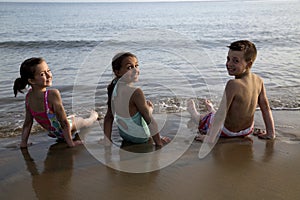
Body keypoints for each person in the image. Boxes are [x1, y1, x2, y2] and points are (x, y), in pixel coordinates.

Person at [187, 40, 275, 142]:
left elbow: (221, 114)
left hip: (227, 131)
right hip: (247, 130)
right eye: (228, 59)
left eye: (235, 61)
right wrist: (270, 133)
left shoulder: (233, 84)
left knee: (206, 118)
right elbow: (266, 108)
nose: (229, 64)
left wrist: (210, 138)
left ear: (249, 64)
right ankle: (211, 109)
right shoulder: (259, 81)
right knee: (218, 113)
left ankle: (195, 114)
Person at [13, 57, 99, 148]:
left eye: (48, 71)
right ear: (31, 80)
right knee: (84, 122)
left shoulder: (28, 97)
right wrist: (71, 143)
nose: (49, 75)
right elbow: (64, 122)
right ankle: (94, 116)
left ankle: (75, 118)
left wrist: (23, 143)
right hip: (66, 129)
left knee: (68, 118)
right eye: (42, 74)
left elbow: (28, 123)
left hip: (53, 133)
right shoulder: (52, 94)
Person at [103, 52, 170, 147]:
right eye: (130, 67)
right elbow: (150, 121)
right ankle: (149, 109)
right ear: (117, 72)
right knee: (147, 112)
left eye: (136, 65)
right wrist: (159, 142)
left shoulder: (113, 88)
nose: (135, 70)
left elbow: (108, 118)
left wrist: (107, 142)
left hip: (125, 136)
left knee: (141, 110)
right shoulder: (136, 92)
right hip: (141, 138)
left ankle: (147, 108)